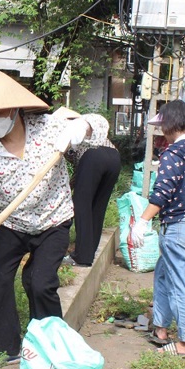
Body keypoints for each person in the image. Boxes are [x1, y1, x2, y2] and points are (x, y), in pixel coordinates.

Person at [0, 71, 87, 360]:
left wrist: (82, 127)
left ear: (15, 109)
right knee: (1, 280)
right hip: (11, 224)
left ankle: (52, 346)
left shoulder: (49, 128)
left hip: (53, 219)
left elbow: (98, 126)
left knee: (39, 281)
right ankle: (6, 350)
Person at [130, 100, 185, 356]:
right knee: (164, 273)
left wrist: (142, 222)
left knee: (181, 283)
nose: (161, 132)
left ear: (170, 124)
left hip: (180, 226)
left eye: (162, 126)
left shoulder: (173, 154)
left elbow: (162, 192)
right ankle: (161, 327)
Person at [64, 114, 121, 267]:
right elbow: (80, 171)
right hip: (114, 157)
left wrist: (68, 187)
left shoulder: (69, 131)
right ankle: (90, 251)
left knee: (81, 206)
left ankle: (82, 256)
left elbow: (81, 167)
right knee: (98, 207)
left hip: (93, 156)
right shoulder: (89, 121)